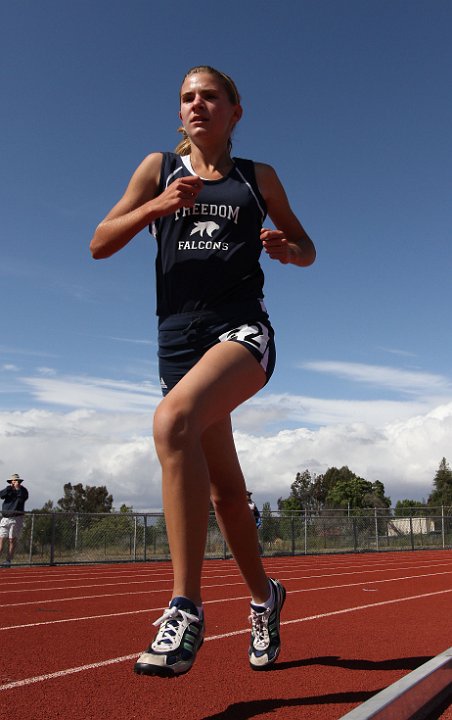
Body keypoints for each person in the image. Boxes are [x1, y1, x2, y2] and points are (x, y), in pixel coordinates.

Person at [90, 65, 316, 677]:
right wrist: (157, 206)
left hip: (242, 332)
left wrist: (287, 251)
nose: (197, 105)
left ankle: (184, 607)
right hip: (177, 343)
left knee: (172, 421)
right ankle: (265, 597)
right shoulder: (157, 168)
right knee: (222, 488)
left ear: (235, 111)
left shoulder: (257, 177)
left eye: (210, 96)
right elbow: (99, 242)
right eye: (188, 97)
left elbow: (306, 247)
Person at [0, 473, 29, 566]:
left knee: (11, 539)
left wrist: (17, 489)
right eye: (13, 480)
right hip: (5, 517)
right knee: (1, 539)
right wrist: (9, 488)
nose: (14, 482)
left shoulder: (23, 491)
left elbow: (22, 499)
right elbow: (1, 495)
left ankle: (8, 561)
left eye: (16, 480)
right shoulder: (8, 489)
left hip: (16, 518)